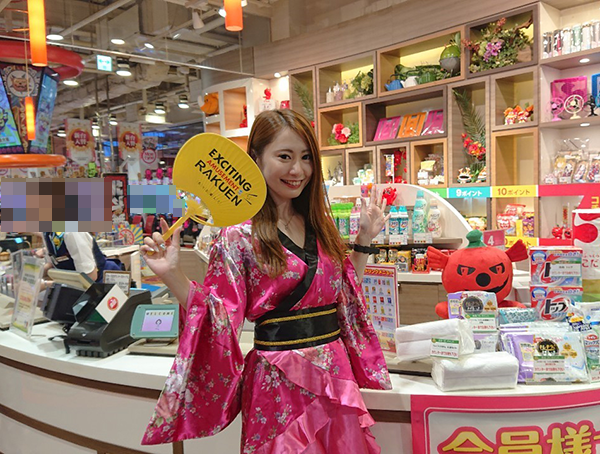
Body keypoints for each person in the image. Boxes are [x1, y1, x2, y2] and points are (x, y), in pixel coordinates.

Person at [140, 110, 392, 453]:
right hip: (278, 380)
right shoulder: (238, 236)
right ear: (256, 159)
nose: (298, 170)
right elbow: (219, 315)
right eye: (284, 156)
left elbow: (343, 294)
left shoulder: (318, 224)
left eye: (306, 158)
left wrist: (363, 241)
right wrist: (172, 275)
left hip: (334, 374)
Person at [42, 232, 124, 283]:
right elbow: (53, 263)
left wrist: (49, 284)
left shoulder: (72, 233)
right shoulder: (49, 233)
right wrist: (36, 276)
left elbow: (89, 277)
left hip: (103, 283)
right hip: (81, 286)